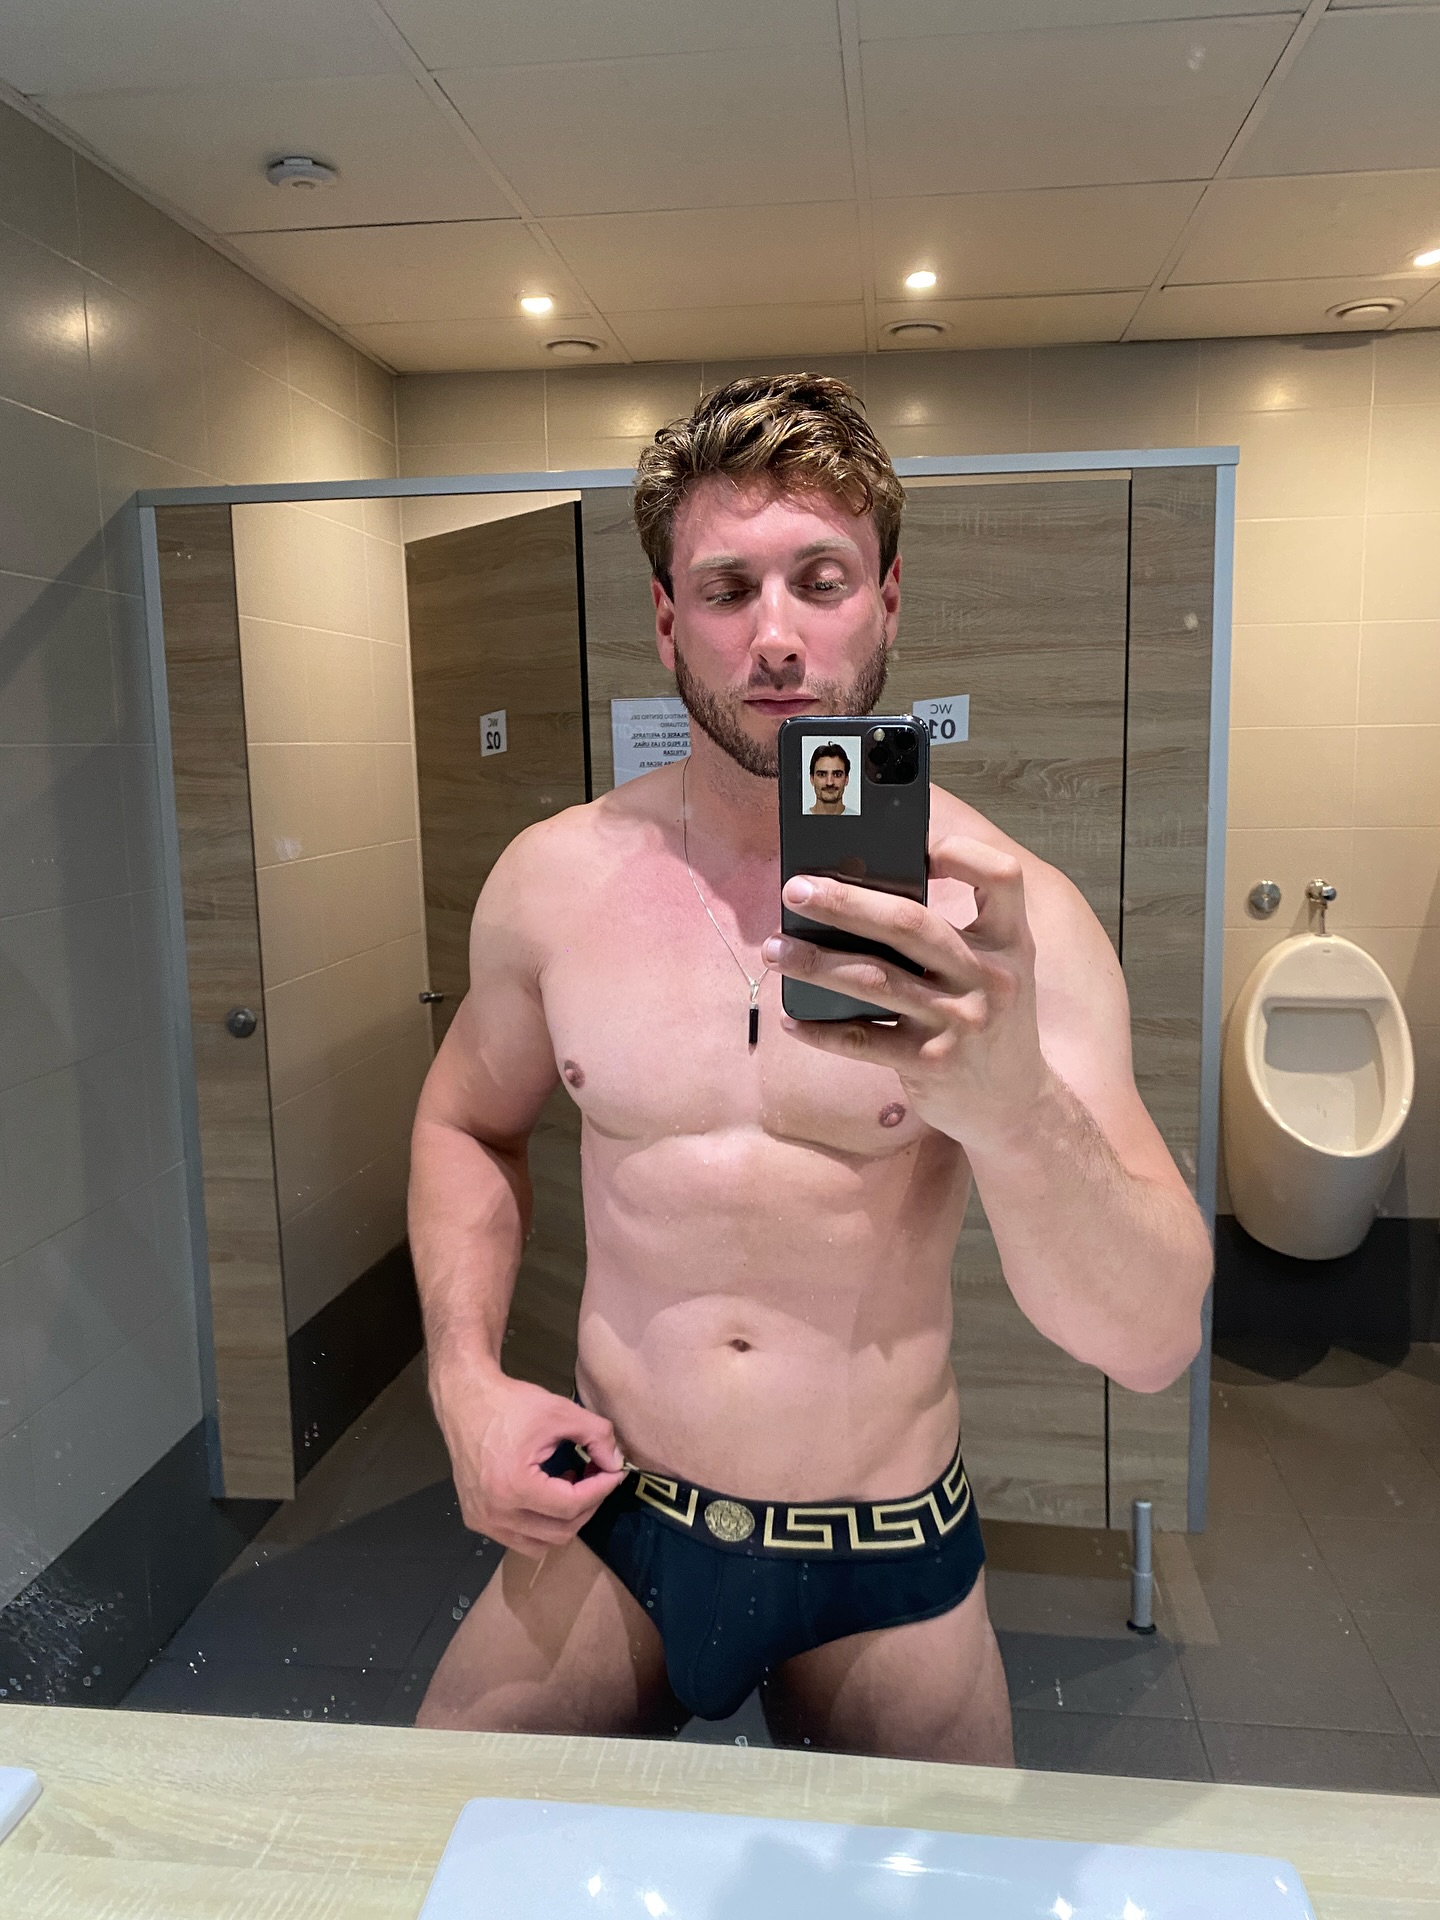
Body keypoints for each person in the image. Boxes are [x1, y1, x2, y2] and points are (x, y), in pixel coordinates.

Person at [409, 373, 1212, 1760]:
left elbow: (1151, 1345)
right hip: (622, 1518)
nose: (775, 636)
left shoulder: (1006, 919)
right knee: (435, 1837)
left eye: (820, 580)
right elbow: (463, 1123)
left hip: (882, 1552)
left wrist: (1014, 1109)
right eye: (726, 589)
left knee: (946, 1876)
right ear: (669, 619)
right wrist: (464, 1378)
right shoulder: (551, 883)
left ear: (885, 599)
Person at [807, 742, 852, 815]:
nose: (829, 782)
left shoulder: (862, 820)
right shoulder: (796, 820)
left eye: (837, 775)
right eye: (822, 774)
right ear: (812, 778)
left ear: (846, 779)